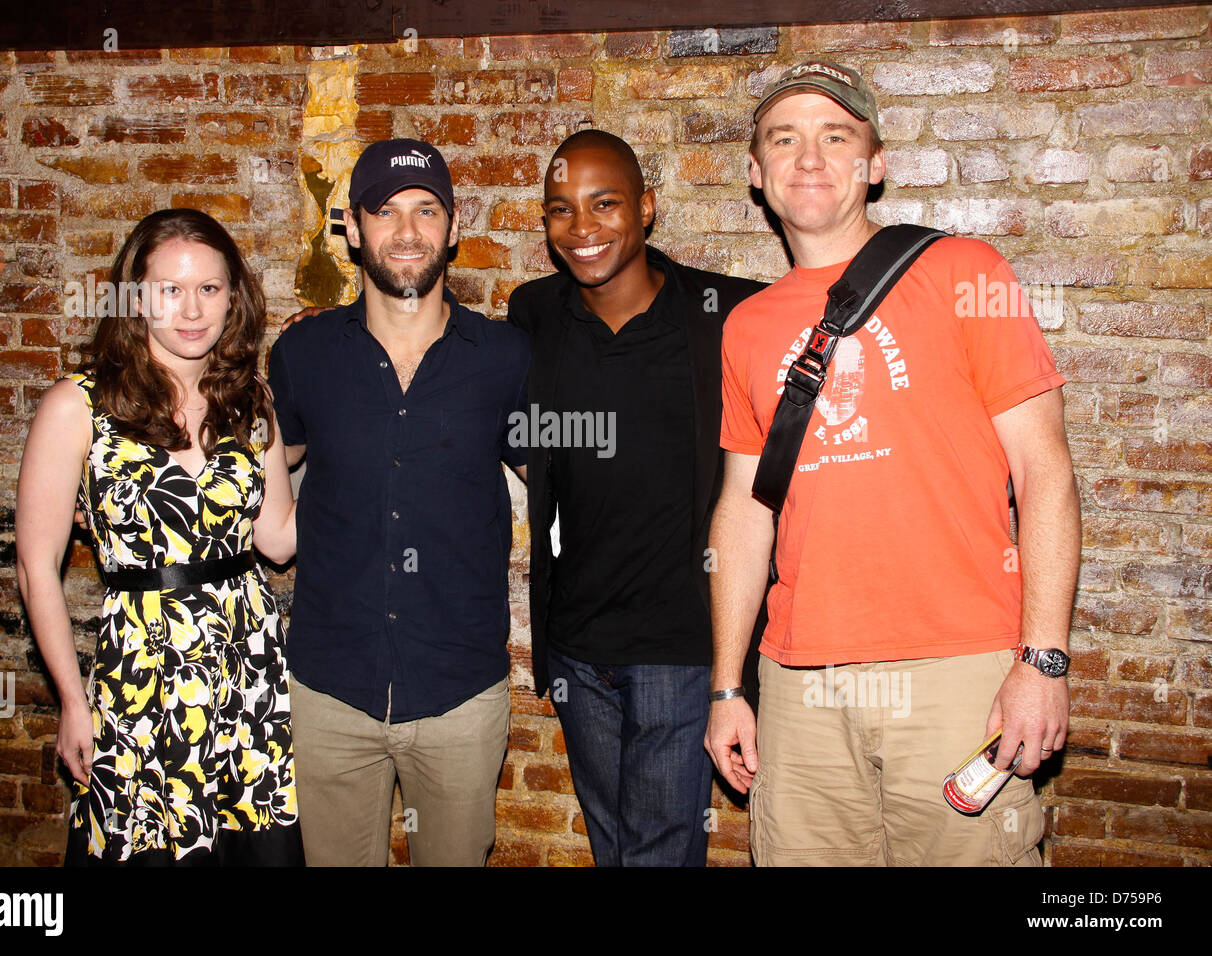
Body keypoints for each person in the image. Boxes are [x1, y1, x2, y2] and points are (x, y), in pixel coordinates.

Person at [705, 61, 1080, 865]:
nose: (809, 158)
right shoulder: (746, 326)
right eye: (785, 139)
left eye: (836, 137)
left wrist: (1043, 661)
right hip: (803, 683)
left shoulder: (967, 273)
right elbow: (744, 508)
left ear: (874, 164)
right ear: (755, 173)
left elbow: (1044, 470)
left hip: (959, 672)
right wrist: (728, 687)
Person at [268, 138, 529, 866]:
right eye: (385, 211)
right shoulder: (304, 355)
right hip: (329, 690)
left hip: (458, 692)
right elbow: (254, 480)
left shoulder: (507, 358)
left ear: (452, 228)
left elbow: (573, 482)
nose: (407, 231)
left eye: (426, 210)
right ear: (352, 228)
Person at [507, 130, 765, 866]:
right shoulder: (535, 315)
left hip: (680, 647)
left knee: (658, 850)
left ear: (646, 209)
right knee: (613, 845)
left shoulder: (721, 314)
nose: (581, 229)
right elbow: (488, 402)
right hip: (577, 644)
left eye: (604, 203)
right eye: (561, 210)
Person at [16, 208, 302, 865]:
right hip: (143, 675)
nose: (193, 309)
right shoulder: (78, 406)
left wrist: (370, 472)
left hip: (248, 670)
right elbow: (37, 569)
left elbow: (280, 539)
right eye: (170, 289)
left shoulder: (250, 402)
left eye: (210, 287)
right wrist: (70, 701)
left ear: (234, 297)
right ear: (134, 298)